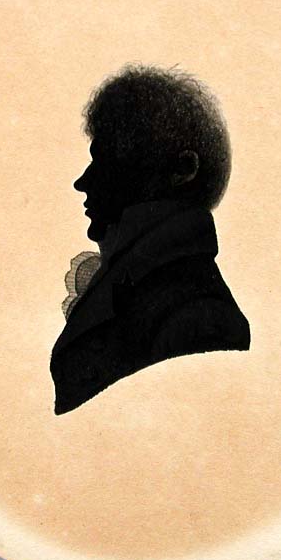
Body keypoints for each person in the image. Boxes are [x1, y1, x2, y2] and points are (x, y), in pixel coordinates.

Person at [50, 65, 250, 414]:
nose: (82, 182)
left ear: (182, 170)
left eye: (106, 161)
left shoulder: (200, 314)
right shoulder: (137, 286)